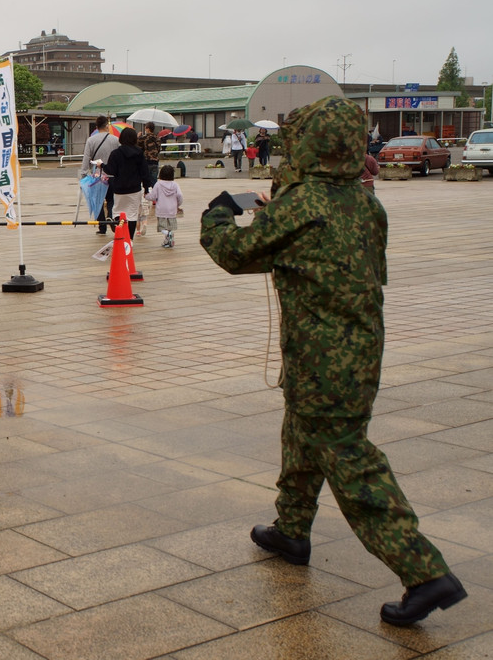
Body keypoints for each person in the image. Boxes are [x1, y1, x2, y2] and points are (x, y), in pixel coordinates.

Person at [200, 95, 467, 628]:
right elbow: (316, 252)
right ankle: (291, 531)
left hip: (323, 357)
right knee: (303, 436)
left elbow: (235, 254)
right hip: (357, 349)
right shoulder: (365, 202)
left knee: (347, 457)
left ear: (308, 144)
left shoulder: (305, 204)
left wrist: (219, 213)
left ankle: (424, 571)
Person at [103, 127, 151, 239]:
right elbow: (145, 172)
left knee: (117, 213)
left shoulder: (115, 153)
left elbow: (110, 170)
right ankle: (130, 240)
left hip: (119, 189)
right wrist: (146, 188)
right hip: (134, 189)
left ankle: (118, 232)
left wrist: (102, 165)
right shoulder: (139, 153)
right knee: (132, 215)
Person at [81, 116, 120, 234]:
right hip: (113, 174)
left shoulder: (91, 140)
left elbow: (86, 158)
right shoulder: (115, 140)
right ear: (107, 126)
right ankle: (111, 216)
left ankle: (102, 226)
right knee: (111, 199)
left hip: (98, 175)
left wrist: (83, 174)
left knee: (97, 200)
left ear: (96, 127)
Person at [145, 164, 183, 248]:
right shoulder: (175, 184)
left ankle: (167, 235)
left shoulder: (158, 184)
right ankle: (168, 241)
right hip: (172, 209)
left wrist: (146, 196)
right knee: (170, 226)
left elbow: (153, 196)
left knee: (162, 227)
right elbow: (180, 195)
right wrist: (177, 204)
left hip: (161, 209)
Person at [136, 122, 161, 187]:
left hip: (147, 161)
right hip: (155, 161)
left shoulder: (145, 138)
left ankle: (147, 193)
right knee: (154, 181)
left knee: (145, 180)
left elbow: (137, 144)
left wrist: (138, 136)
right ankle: (155, 195)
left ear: (148, 129)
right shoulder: (157, 138)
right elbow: (158, 149)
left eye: (145, 128)